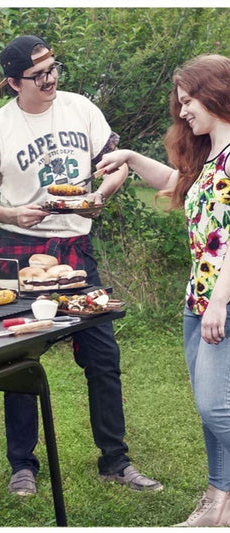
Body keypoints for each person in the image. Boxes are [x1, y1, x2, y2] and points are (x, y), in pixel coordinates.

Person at [0, 35, 163, 497]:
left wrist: (99, 196)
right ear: (12, 83)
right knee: (18, 360)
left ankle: (116, 461)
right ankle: (21, 466)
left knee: (103, 356)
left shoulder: (81, 109)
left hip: (77, 248)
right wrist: (11, 213)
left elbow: (116, 166)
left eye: (54, 68)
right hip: (18, 250)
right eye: (38, 74)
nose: (50, 79)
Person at [97, 54, 230, 527]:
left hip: (223, 300)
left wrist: (219, 300)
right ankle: (217, 505)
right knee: (206, 408)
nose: (184, 111)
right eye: (181, 103)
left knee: (218, 406)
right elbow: (179, 185)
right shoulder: (209, 153)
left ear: (215, 93)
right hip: (199, 298)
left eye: (189, 100)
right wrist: (131, 159)